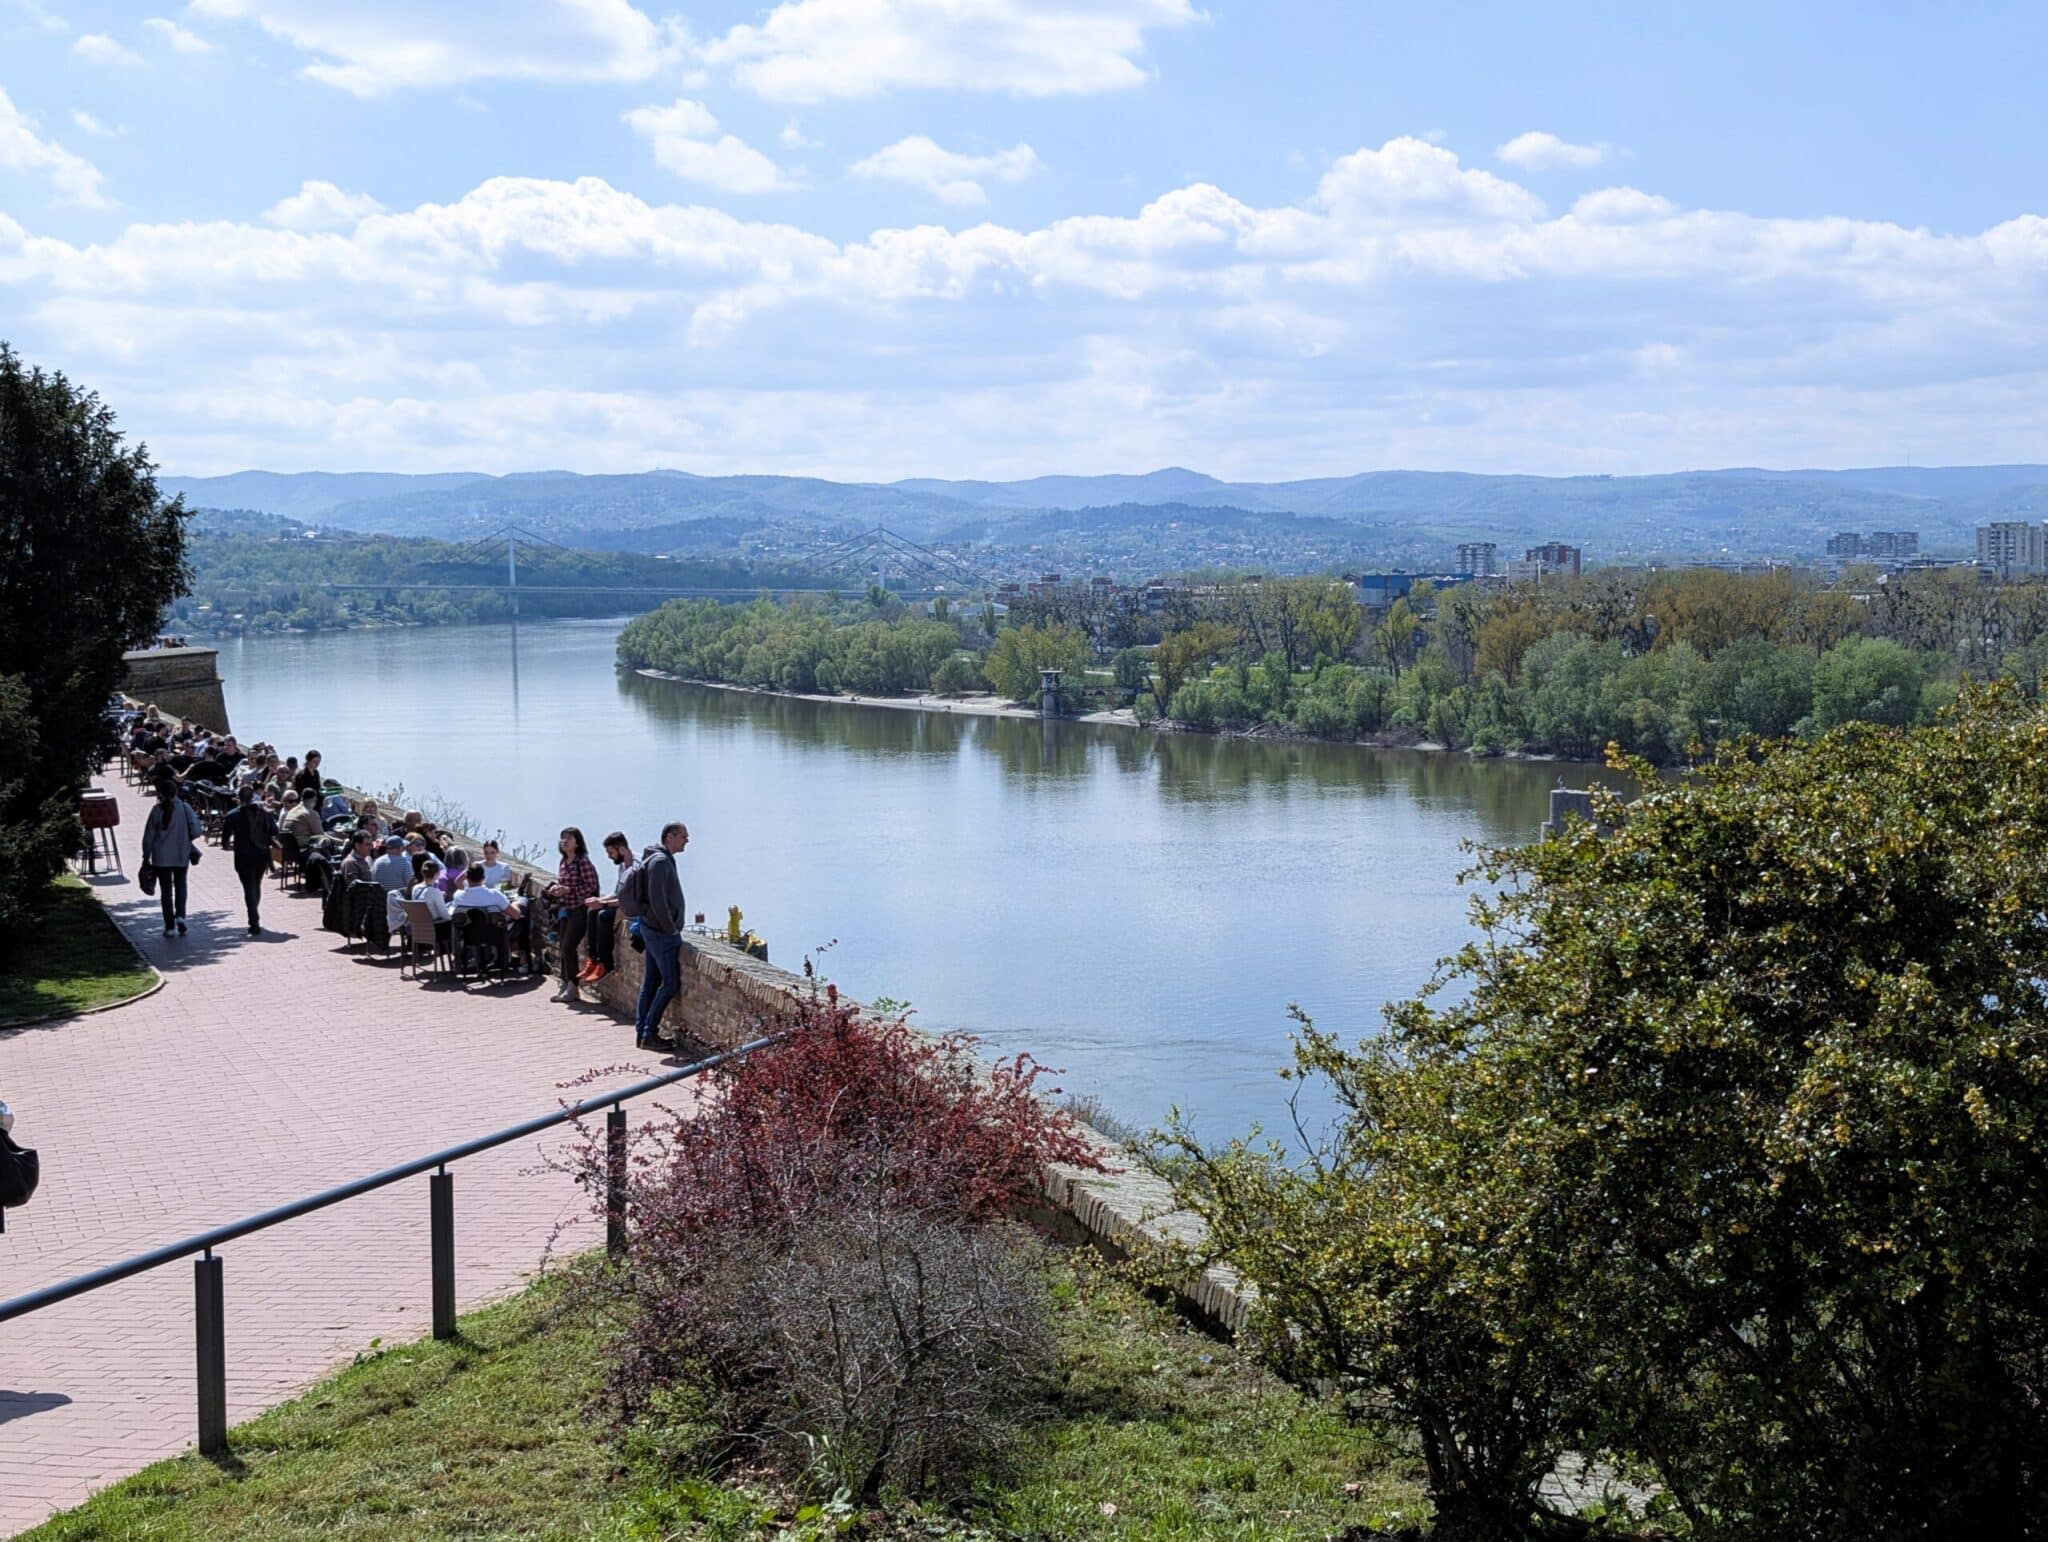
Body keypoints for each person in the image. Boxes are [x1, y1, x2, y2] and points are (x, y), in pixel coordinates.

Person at [634, 821, 688, 1049]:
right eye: (683, 835)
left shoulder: (658, 859)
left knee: (652, 982)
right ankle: (649, 1033)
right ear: (670, 836)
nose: (687, 840)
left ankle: (642, 1032)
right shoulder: (660, 862)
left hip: (652, 930)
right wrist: (671, 928)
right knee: (670, 983)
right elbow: (657, 900)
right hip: (661, 934)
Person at [140, 775, 204, 937]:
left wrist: (146, 856)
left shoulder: (156, 810)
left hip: (161, 858)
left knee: (166, 891)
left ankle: (169, 926)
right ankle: (181, 916)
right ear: (176, 792)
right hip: (181, 854)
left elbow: (148, 836)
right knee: (181, 886)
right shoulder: (185, 808)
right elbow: (197, 830)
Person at [546, 826, 600, 1002]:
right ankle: (566, 982)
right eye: (562, 838)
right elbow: (562, 882)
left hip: (580, 910)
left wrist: (568, 890)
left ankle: (573, 986)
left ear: (577, 842)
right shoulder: (563, 862)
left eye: (569, 838)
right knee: (563, 947)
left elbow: (590, 886)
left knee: (569, 946)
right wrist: (556, 888)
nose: (565, 841)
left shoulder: (582, 862)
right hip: (565, 909)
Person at [578, 831, 637, 984]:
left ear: (622, 849)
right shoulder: (623, 865)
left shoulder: (636, 867)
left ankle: (606, 964)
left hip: (635, 908)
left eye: (611, 852)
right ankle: (593, 959)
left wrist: (603, 903)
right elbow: (618, 893)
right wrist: (599, 899)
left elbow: (630, 900)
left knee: (603, 916)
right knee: (592, 911)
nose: (609, 856)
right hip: (624, 904)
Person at [220, 783, 276, 936]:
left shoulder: (232, 815)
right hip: (261, 853)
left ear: (239, 798)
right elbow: (274, 831)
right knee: (256, 884)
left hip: (243, 855)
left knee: (248, 887)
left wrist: (227, 846)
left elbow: (225, 838)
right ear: (252, 797)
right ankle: (254, 912)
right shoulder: (264, 813)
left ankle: (253, 919)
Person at [372, 835, 414, 930]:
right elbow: (410, 883)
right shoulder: (404, 862)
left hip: (380, 901)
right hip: (398, 902)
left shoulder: (377, 862)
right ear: (399, 849)